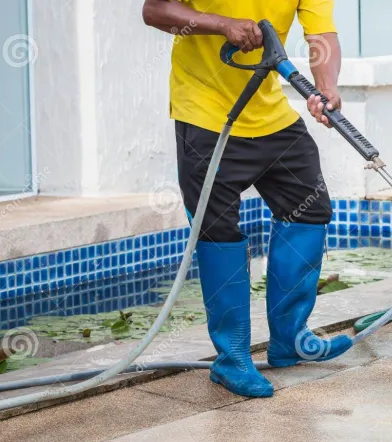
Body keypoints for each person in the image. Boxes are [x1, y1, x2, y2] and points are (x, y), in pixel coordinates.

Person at [142, 0, 351, 398]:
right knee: (217, 230)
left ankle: (289, 339)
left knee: (309, 209)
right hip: (206, 115)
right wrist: (222, 25)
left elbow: (321, 35)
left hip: (271, 113)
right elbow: (155, 10)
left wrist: (326, 89)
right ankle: (232, 358)